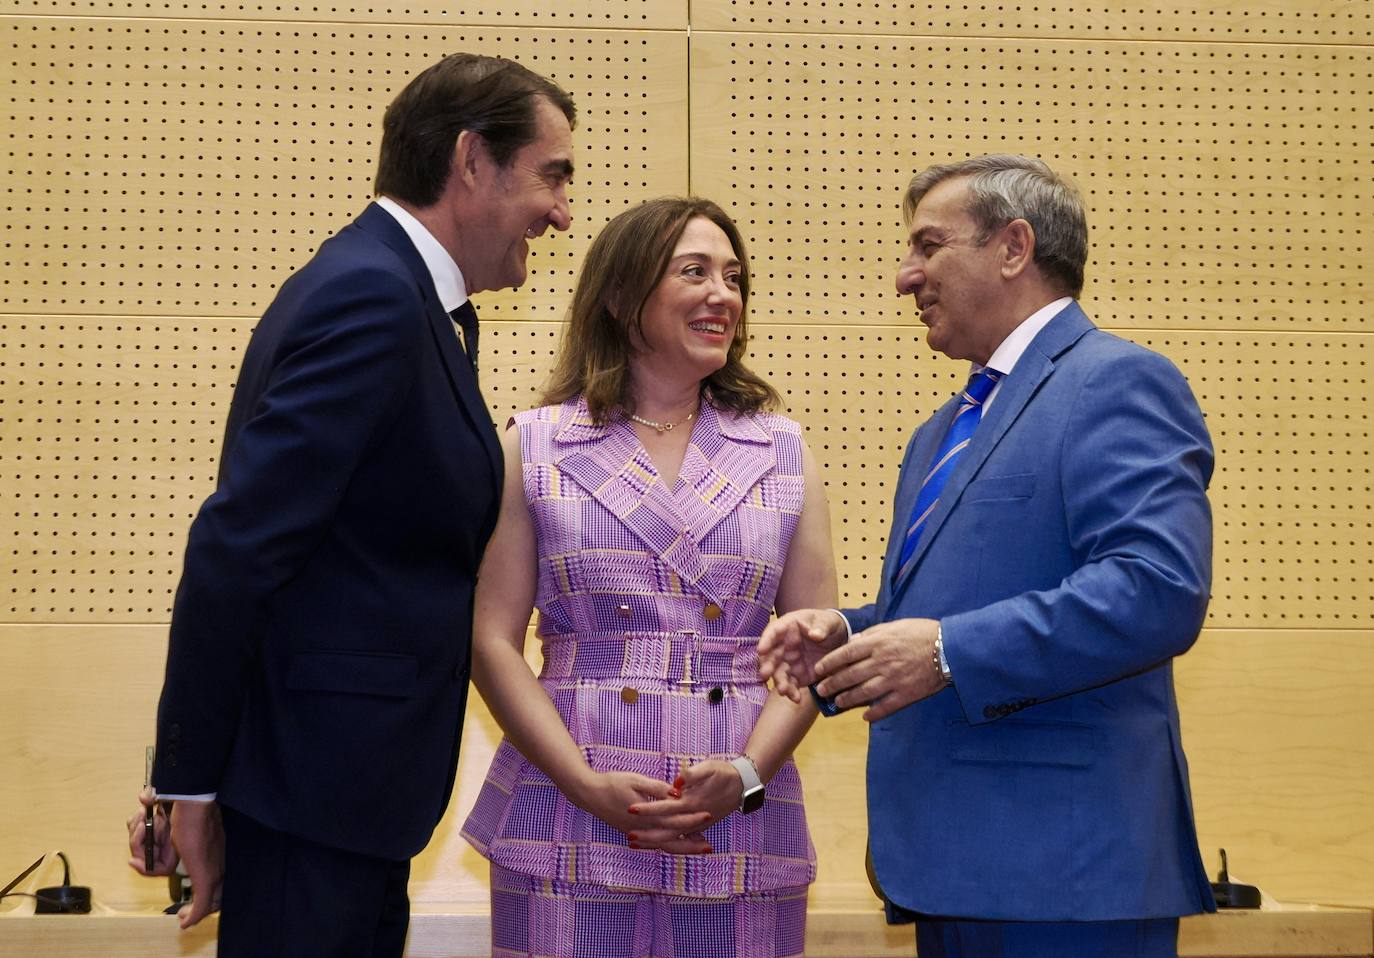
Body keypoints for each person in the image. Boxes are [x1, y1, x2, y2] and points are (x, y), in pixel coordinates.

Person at [123, 53, 576, 957]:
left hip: (345, 804)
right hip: (311, 805)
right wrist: (190, 788)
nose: (563, 211)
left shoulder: (400, 298)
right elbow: (236, 551)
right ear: (470, 161)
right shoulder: (373, 297)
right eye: (553, 175)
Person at [759, 155, 1217, 958]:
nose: (907, 277)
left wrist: (945, 652)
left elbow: (1156, 589)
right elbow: (957, 607)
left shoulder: (1118, 382)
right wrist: (851, 637)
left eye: (928, 246)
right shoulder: (938, 434)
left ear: (1013, 247)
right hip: (946, 870)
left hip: (1067, 878)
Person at [459, 196, 837, 957]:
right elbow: (490, 641)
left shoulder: (782, 449)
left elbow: (812, 648)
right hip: (570, 799)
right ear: (622, 296)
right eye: (693, 272)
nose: (721, 295)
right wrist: (582, 784)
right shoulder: (536, 444)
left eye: (733, 277)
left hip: (737, 811)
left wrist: (746, 773)